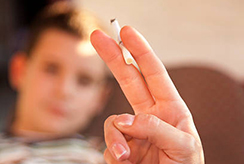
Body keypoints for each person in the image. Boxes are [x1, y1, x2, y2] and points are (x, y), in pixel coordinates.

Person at [1, 1, 204, 164]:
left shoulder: (116, 156)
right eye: (51, 69)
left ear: (100, 97)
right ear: (19, 70)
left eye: (84, 80)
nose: (64, 91)